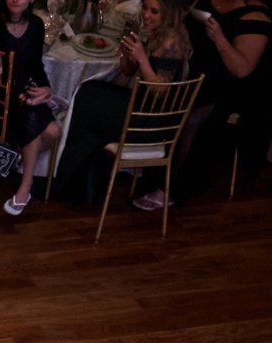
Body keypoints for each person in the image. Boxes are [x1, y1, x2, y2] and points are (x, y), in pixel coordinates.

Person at [49, 0, 192, 207]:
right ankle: (75, 184)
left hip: (150, 120)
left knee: (88, 102)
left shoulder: (172, 40)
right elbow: (129, 72)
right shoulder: (158, 32)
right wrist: (127, 57)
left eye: (154, 11)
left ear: (168, 14)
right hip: (141, 105)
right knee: (88, 93)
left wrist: (142, 58)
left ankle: (73, 185)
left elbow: (161, 91)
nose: (146, 15)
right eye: (145, 8)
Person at [134, 0, 272, 211]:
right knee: (162, 97)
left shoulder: (256, 17)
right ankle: (143, 164)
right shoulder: (207, 2)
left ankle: (172, 187)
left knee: (190, 117)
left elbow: (242, 70)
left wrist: (219, 39)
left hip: (225, 89)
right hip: (189, 76)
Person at [0, 0, 61, 215]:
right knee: (36, 120)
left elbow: (36, 66)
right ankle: (25, 186)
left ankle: (9, 159)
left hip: (22, 93)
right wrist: (19, 96)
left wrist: (45, 89)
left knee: (54, 132)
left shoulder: (36, 24)